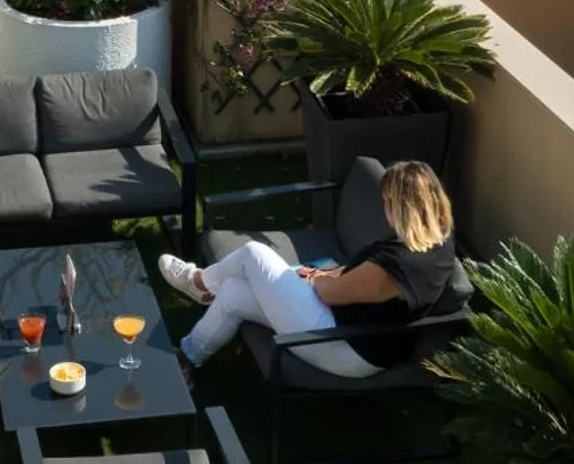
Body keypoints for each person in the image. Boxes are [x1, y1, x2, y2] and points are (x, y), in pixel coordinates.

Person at [158, 160, 463, 379]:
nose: (383, 208)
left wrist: (313, 278)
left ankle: (199, 281)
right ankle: (187, 360)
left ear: (400, 206)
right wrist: (317, 276)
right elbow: (352, 278)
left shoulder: (401, 265)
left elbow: (331, 294)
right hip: (340, 325)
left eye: (386, 202)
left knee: (254, 253)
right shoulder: (436, 242)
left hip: (345, 346)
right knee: (236, 293)